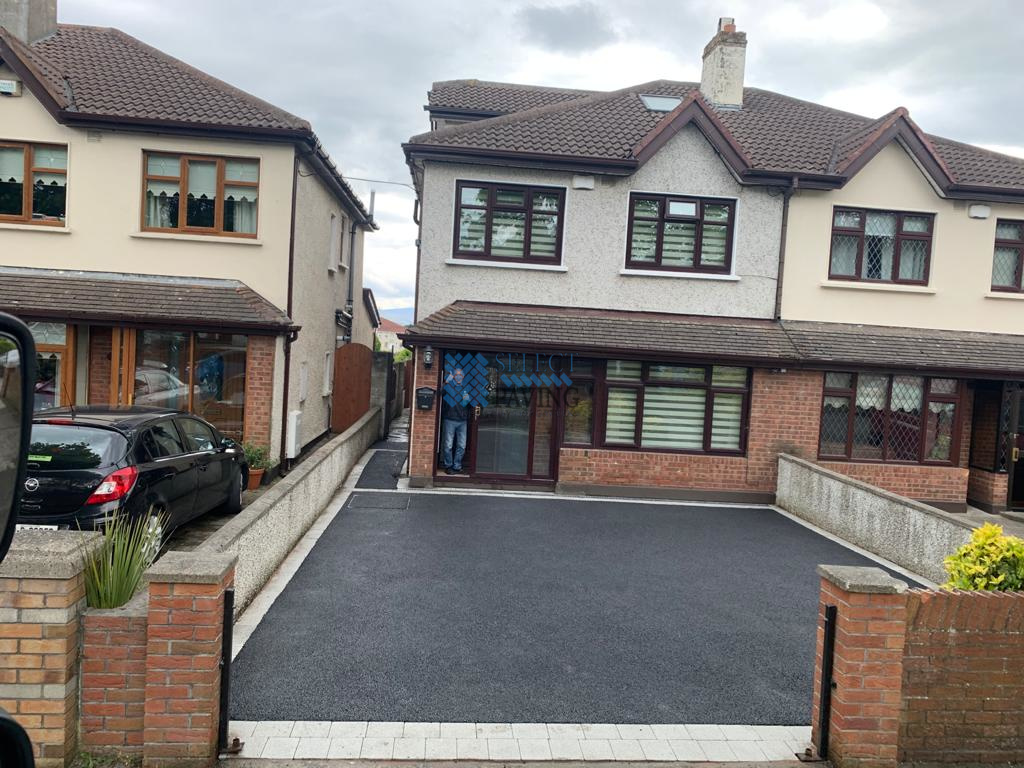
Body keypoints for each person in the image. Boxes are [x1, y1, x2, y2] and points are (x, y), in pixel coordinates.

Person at [441, 366, 471, 475]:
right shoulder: (449, 387)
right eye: (457, 374)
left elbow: (471, 405)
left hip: (463, 420)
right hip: (450, 419)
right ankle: (448, 465)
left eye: (461, 375)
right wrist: (445, 382)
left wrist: (468, 401)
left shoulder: (466, 387)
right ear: (453, 376)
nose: (459, 377)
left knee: (462, 445)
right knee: (448, 445)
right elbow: (440, 393)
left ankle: (457, 466)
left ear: (463, 377)